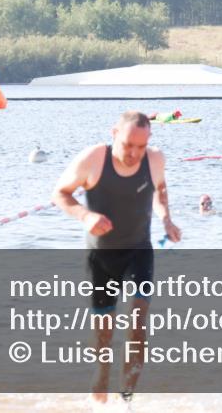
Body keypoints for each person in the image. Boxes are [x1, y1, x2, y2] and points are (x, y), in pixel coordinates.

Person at [52, 110, 181, 407]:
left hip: (139, 252)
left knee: (137, 323)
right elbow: (60, 193)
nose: (134, 154)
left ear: (149, 140)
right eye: (127, 145)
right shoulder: (94, 158)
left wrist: (166, 219)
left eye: (141, 146)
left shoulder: (155, 159)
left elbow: (160, 190)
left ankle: (126, 401)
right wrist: (85, 215)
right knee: (104, 332)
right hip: (101, 256)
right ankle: (102, 372)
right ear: (114, 134)